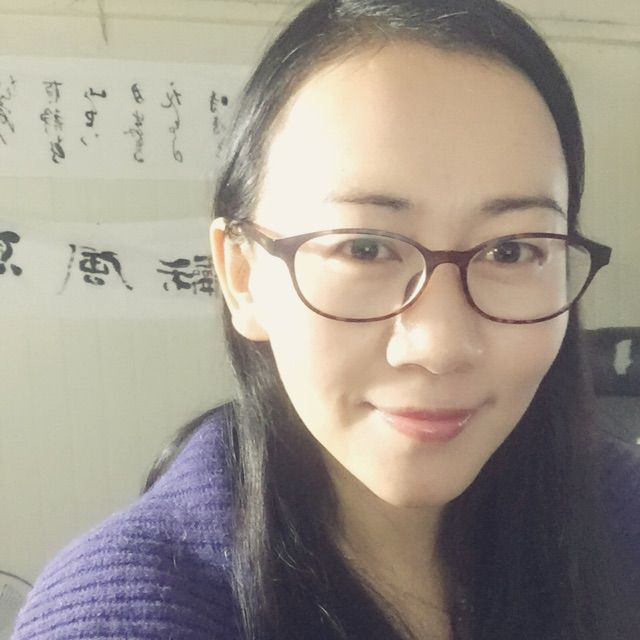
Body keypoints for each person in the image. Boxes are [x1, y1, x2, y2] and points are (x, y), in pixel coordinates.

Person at [12, 0, 640, 639]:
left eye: (512, 251)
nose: (441, 345)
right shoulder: (126, 614)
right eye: (364, 248)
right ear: (242, 275)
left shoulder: (619, 515)